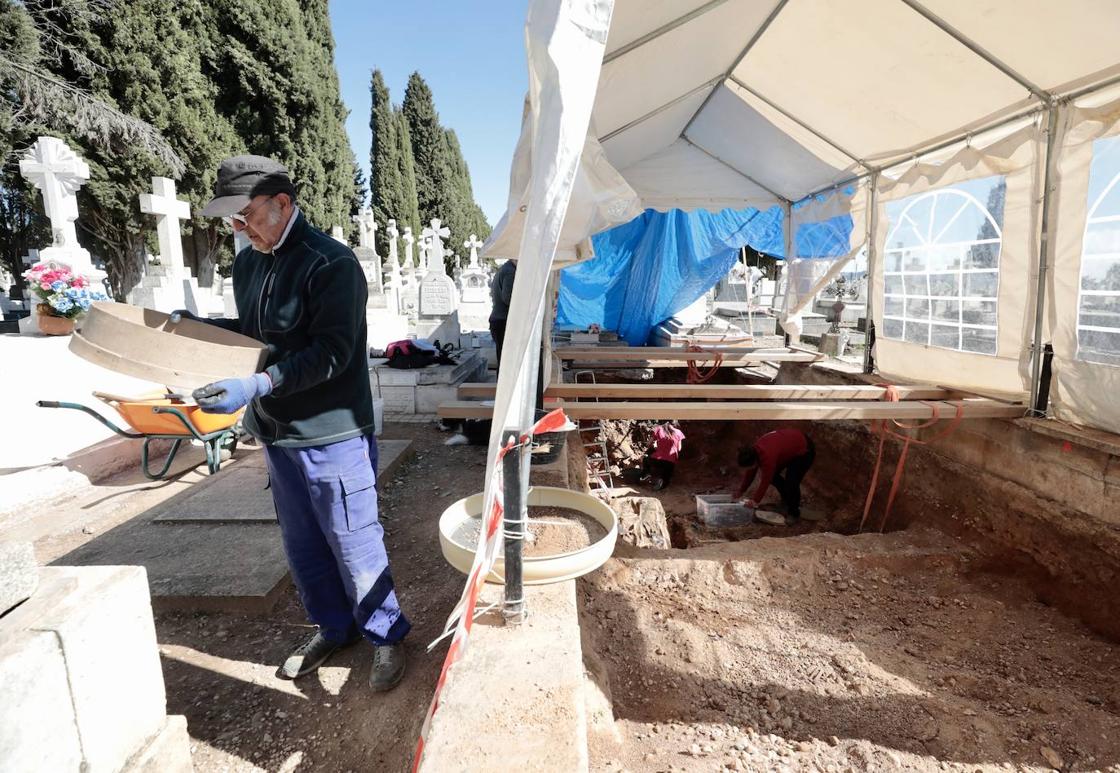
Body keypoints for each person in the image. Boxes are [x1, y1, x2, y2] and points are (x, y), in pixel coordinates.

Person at [185, 155, 409, 692]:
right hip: (278, 432)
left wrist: (259, 384)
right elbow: (253, 331)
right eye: (233, 222)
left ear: (282, 203)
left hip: (331, 431)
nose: (240, 230)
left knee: (354, 540)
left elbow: (333, 351)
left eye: (247, 216)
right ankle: (335, 628)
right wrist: (195, 331)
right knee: (304, 544)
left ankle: (385, 636)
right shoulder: (250, 263)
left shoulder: (329, 263)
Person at [734, 428, 815, 525]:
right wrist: (741, 491)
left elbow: (765, 480)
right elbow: (750, 472)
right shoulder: (753, 452)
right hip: (788, 447)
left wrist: (755, 501)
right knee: (774, 478)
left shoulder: (767, 456)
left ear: (754, 461)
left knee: (792, 482)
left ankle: (794, 513)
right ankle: (787, 501)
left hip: (804, 450)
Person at [640, 421, 685, 491]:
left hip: (656, 460)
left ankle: (646, 474)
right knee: (667, 475)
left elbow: (648, 444)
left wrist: (656, 446)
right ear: (675, 424)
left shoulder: (658, 429)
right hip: (670, 462)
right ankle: (663, 482)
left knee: (645, 459)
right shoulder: (679, 432)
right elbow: (679, 449)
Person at [488, 258, 516, 369]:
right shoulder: (510, 272)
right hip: (503, 321)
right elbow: (508, 298)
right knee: (507, 362)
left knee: (504, 360)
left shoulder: (505, 269)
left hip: (499, 320)